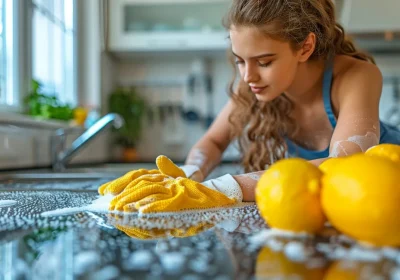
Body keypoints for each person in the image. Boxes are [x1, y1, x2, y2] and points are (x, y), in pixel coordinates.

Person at [100, 0, 400, 211]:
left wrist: (223, 188)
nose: (248, 76)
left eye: (264, 62)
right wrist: (188, 174)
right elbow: (215, 141)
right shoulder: (257, 85)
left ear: (305, 47)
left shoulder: (355, 75)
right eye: (240, 60)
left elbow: (345, 166)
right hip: (332, 207)